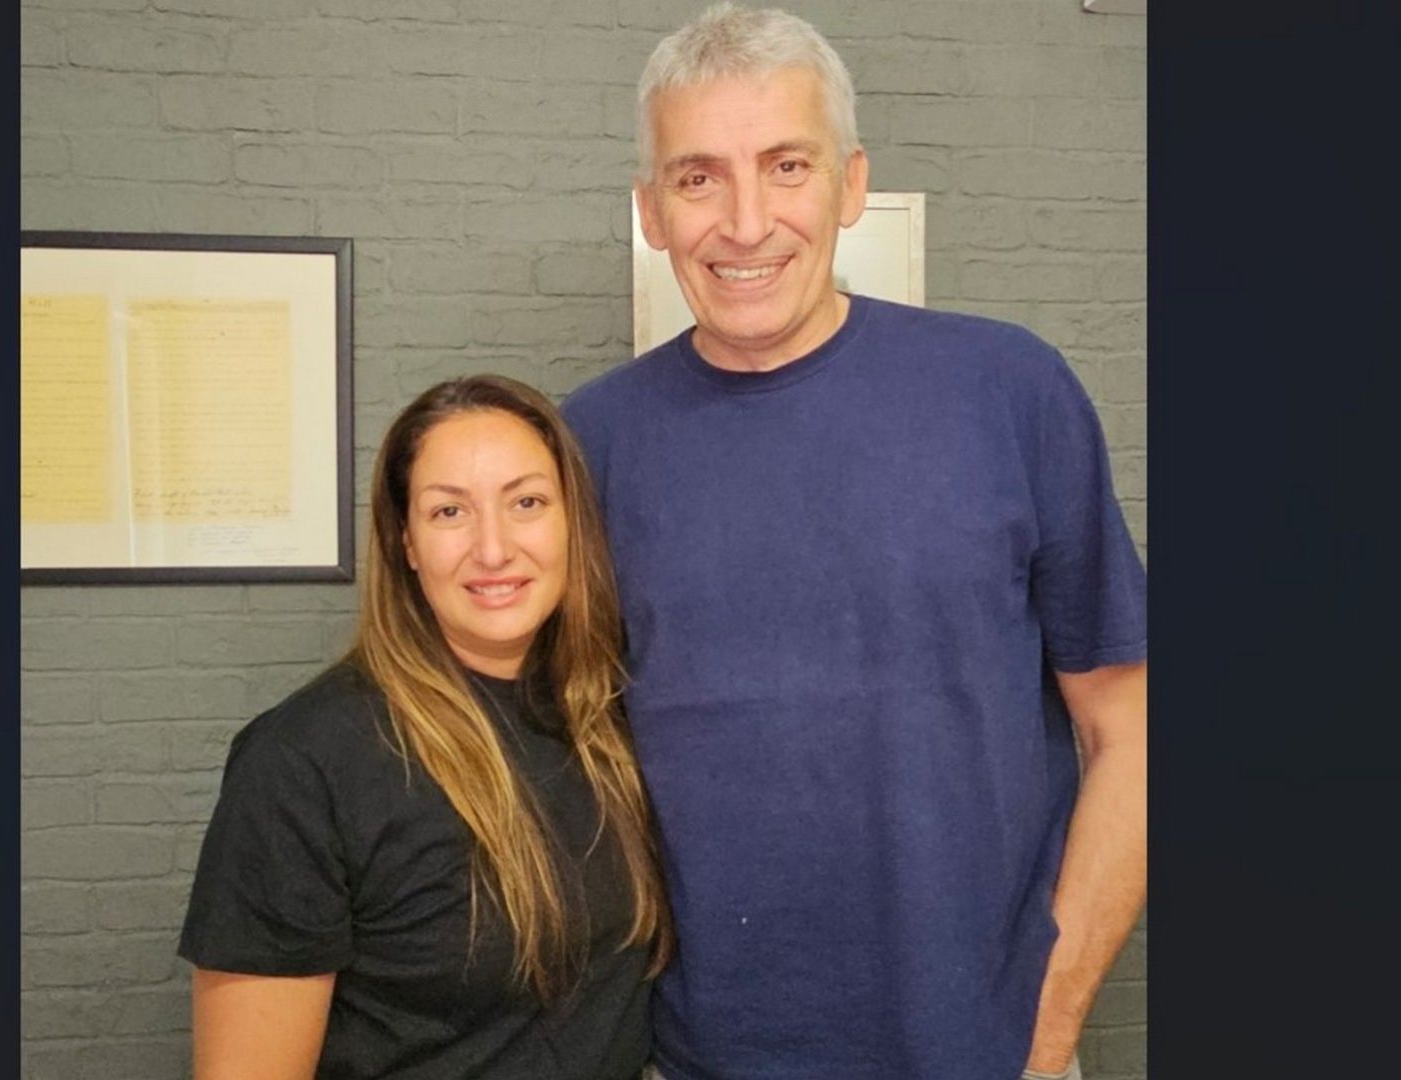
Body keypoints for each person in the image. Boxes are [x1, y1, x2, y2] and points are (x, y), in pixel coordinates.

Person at [562, 6, 1148, 1080]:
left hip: (992, 1056)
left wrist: (1049, 1025)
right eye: (699, 178)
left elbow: (1132, 730)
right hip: (697, 1060)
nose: (746, 223)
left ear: (851, 184)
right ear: (651, 210)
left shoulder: (1007, 391)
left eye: (787, 166)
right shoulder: (587, 444)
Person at [179, 375, 673, 1080]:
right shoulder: (301, 763)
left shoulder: (613, 719)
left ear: (573, 522)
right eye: (449, 512)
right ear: (406, 541)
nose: (493, 549)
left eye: (527, 503)